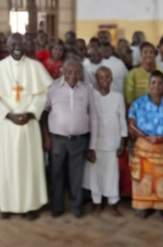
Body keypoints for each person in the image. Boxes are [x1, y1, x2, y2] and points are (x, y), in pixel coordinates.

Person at [0, 33, 52, 220]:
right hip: (6, 125)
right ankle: (6, 205)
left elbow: (42, 95)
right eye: (13, 42)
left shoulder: (36, 67)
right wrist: (8, 114)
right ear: (6, 44)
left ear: (26, 45)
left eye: (20, 42)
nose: (16, 46)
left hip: (29, 125)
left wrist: (29, 113)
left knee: (29, 166)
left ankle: (30, 206)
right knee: (6, 166)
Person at [42, 58, 98, 219]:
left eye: (77, 72)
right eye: (69, 72)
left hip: (79, 140)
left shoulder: (87, 89)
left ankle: (76, 207)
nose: (73, 75)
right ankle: (57, 207)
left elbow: (93, 116)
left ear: (81, 73)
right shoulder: (53, 87)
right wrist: (46, 137)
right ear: (63, 72)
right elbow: (44, 113)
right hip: (57, 139)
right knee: (56, 174)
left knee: (76, 176)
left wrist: (92, 146)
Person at [128, 71, 163, 222]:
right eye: (153, 83)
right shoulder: (138, 103)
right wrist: (143, 135)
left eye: (160, 83)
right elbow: (132, 123)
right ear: (148, 85)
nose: (156, 86)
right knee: (144, 179)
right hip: (144, 145)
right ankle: (142, 206)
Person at [82, 67, 127, 216]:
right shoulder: (92, 96)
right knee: (96, 175)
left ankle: (112, 203)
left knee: (112, 174)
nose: (104, 80)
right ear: (97, 80)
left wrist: (122, 142)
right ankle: (97, 203)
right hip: (96, 143)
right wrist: (90, 147)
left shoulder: (117, 96)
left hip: (112, 142)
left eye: (107, 77)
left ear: (111, 78)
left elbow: (122, 120)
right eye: (101, 78)